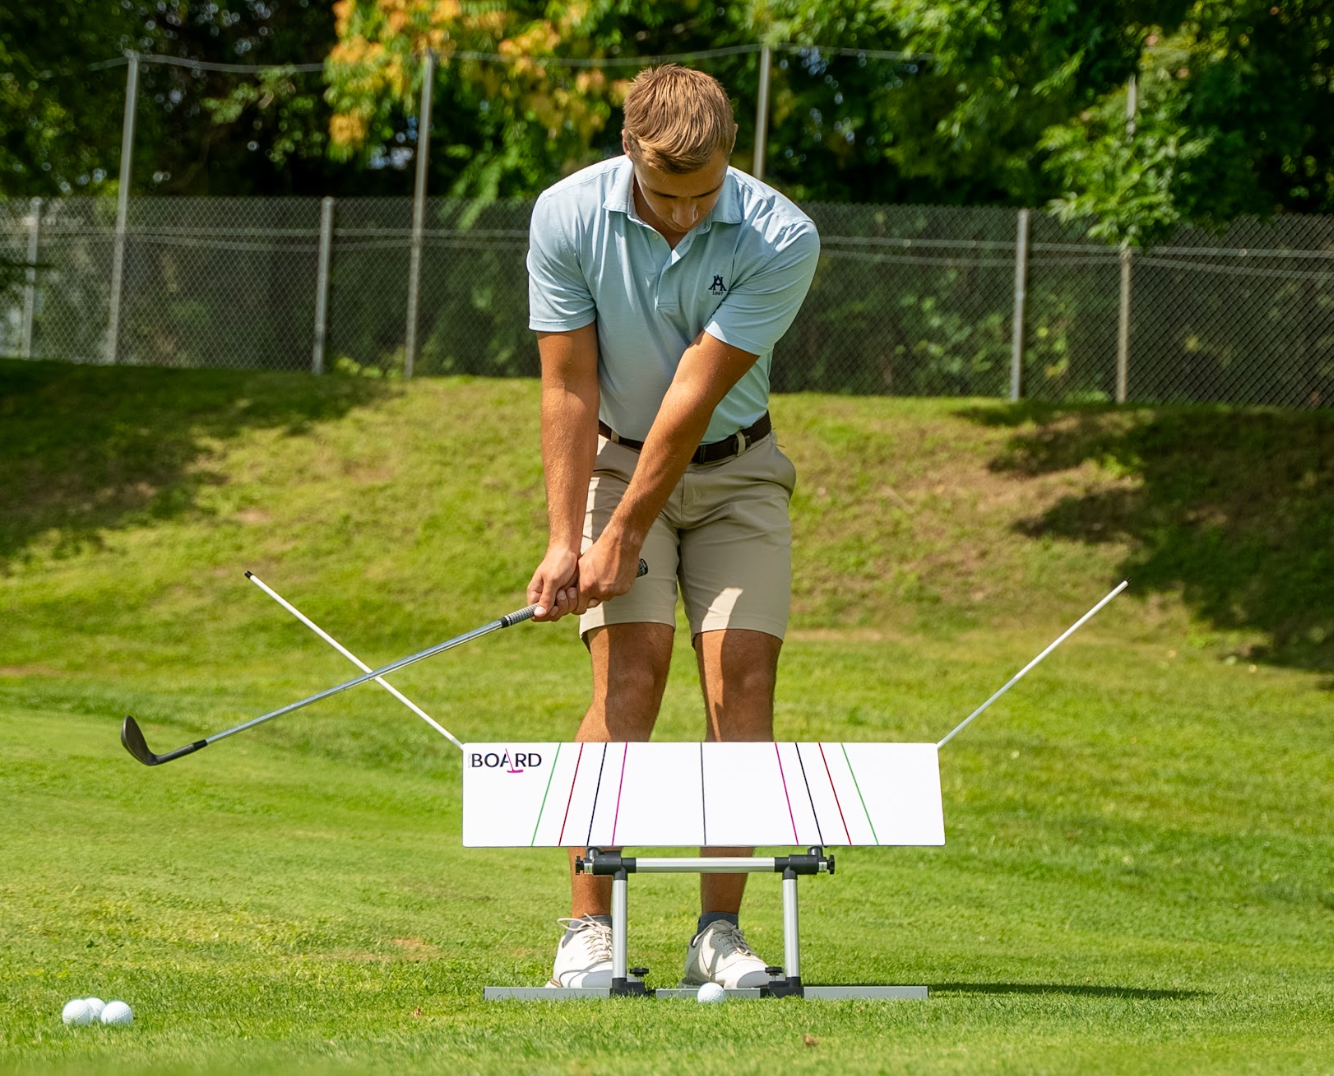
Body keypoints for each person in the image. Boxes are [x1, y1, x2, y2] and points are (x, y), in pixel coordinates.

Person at [524, 64, 820, 990]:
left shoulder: (783, 235)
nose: (686, 215)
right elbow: (569, 383)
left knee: (741, 691)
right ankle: (588, 932)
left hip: (740, 476)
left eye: (704, 194)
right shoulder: (566, 216)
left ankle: (717, 935)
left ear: (733, 158)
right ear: (627, 155)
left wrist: (623, 535)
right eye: (664, 195)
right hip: (615, 461)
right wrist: (567, 538)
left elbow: (694, 395)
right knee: (631, 677)